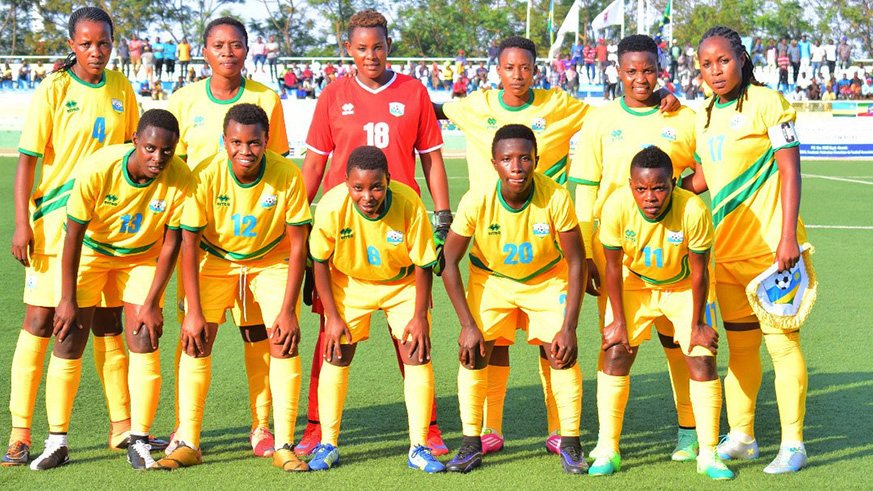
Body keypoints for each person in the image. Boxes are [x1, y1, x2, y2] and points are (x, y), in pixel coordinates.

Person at [435, 34, 680, 455]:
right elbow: (429, 109)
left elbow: (618, 110)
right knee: (490, 346)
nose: (517, 75)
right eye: (509, 67)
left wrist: (660, 97)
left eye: (525, 67)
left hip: (546, 249)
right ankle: (486, 429)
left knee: (554, 347)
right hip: (491, 252)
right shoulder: (475, 106)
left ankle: (560, 432)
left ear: (536, 69)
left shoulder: (560, 105)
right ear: (497, 70)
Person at [300, 8, 451, 459]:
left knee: (413, 335)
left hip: (400, 225)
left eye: (378, 47)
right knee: (331, 334)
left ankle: (428, 429)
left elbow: (432, 159)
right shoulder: (333, 94)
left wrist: (442, 214)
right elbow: (315, 163)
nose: (371, 55)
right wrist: (298, 216)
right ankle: (315, 427)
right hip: (345, 230)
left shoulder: (413, 91)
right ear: (348, 48)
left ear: (389, 46)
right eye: (362, 48)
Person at [6, 6, 145, 470]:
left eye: (103, 42)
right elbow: (27, 161)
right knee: (41, 321)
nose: (95, 51)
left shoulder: (122, 88)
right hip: (55, 223)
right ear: (72, 45)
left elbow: (133, 153)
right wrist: (22, 222)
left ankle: (121, 426)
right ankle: (20, 433)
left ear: (113, 43)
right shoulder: (53, 88)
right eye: (86, 43)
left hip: (108, 225)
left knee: (108, 322)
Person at [569, 34, 709, 465]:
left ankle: (690, 433)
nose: (640, 79)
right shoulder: (600, 120)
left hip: (675, 255)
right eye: (631, 71)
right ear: (618, 71)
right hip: (617, 258)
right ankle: (607, 444)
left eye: (648, 70)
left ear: (659, 70)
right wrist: (586, 254)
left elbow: (708, 170)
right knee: (617, 345)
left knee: (680, 345)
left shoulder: (682, 117)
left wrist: (679, 194)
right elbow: (585, 189)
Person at [154, 104, 311, 471]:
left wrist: (288, 311)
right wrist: (193, 312)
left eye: (254, 142)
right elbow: (189, 242)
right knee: (197, 339)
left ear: (267, 141)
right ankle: (189, 441)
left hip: (268, 261)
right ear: (224, 141)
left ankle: (283, 443)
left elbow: (298, 244)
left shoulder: (287, 174)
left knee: (282, 340)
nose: (246, 150)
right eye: (237, 142)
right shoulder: (206, 173)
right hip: (214, 261)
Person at [687, 25, 813, 475]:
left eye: (723, 60)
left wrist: (787, 237)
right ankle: (743, 437)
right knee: (740, 348)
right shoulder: (703, 114)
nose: (716, 70)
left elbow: (791, 170)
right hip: (726, 254)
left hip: (771, 254)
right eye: (707, 64)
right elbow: (702, 180)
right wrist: (660, 189)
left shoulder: (767, 103)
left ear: (741, 58)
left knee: (782, 345)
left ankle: (794, 444)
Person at [167, 16, 291, 459]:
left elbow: (277, 168)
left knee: (257, 333)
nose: (227, 52)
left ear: (247, 49)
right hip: (203, 245)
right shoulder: (184, 100)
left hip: (259, 245)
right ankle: (185, 430)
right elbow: (173, 169)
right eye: (218, 45)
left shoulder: (266, 99)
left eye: (235, 44)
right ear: (204, 51)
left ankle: (262, 427)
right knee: (197, 332)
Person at [441, 124, 587, 474]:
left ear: (537, 160)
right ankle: (471, 442)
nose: (517, 167)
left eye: (525, 158)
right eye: (507, 159)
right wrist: (467, 324)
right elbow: (448, 261)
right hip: (492, 281)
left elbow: (577, 261)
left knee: (561, 353)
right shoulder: (477, 199)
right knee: (474, 351)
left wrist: (569, 327)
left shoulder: (556, 197)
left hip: (545, 280)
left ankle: (570, 441)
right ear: (494, 163)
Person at [54, 109, 189, 470]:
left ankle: (138, 440)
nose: (158, 158)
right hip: (93, 252)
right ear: (135, 141)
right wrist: (67, 298)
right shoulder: (99, 167)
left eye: (167, 151)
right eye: (150, 148)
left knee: (144, 336)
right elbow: (73, 235)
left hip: (140, 258)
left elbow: (171, 244)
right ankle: (57, 441)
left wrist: (152, 302)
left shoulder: (180, 176)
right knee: (68, 336)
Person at [593, 145, 733, 480]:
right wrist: (619, 322)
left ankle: (708, 453)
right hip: (635, 285)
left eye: (659, 188)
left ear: (672, 183)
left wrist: (697, 324)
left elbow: (700, 272)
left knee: (701, 357)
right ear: (630, 186)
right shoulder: (615, 206)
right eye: (641, 189)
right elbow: (612, 268)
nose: (650, 197)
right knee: (616, 352)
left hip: (684, 287)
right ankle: (608, 448)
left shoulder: (693, 209)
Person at [307, 146, 443, 473]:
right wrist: (332, 316)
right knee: (336, 353)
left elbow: (423, 263)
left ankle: (419, 447)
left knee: (416, 353)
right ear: (346, 183)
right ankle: (328, 443)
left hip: (401, 284)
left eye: (376, 187)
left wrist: (419, 316)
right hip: (350, 283)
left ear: (388, 181)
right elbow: (319, 261)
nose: (367, 196)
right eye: (358, 188)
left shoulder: (409, 202)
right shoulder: (331, 206)